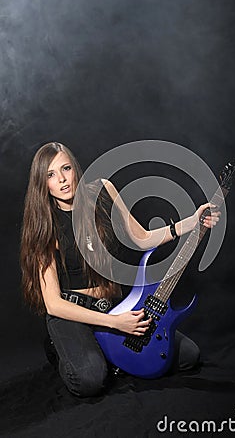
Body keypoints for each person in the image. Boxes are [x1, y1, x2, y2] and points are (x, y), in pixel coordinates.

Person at [20, 142, 220, 397]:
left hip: (114, 305)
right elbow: (53, 304)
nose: (61, 180)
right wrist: (114, 323)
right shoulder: (44, 225)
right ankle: (62, 345)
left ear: (75, 168)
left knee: (188, 356)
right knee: (90, 380)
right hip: (74, 313)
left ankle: (102, 348)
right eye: (50, 175)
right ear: (42, 182)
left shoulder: (103, 190)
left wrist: (192, 221)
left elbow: (142, 237)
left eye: (65, 169)